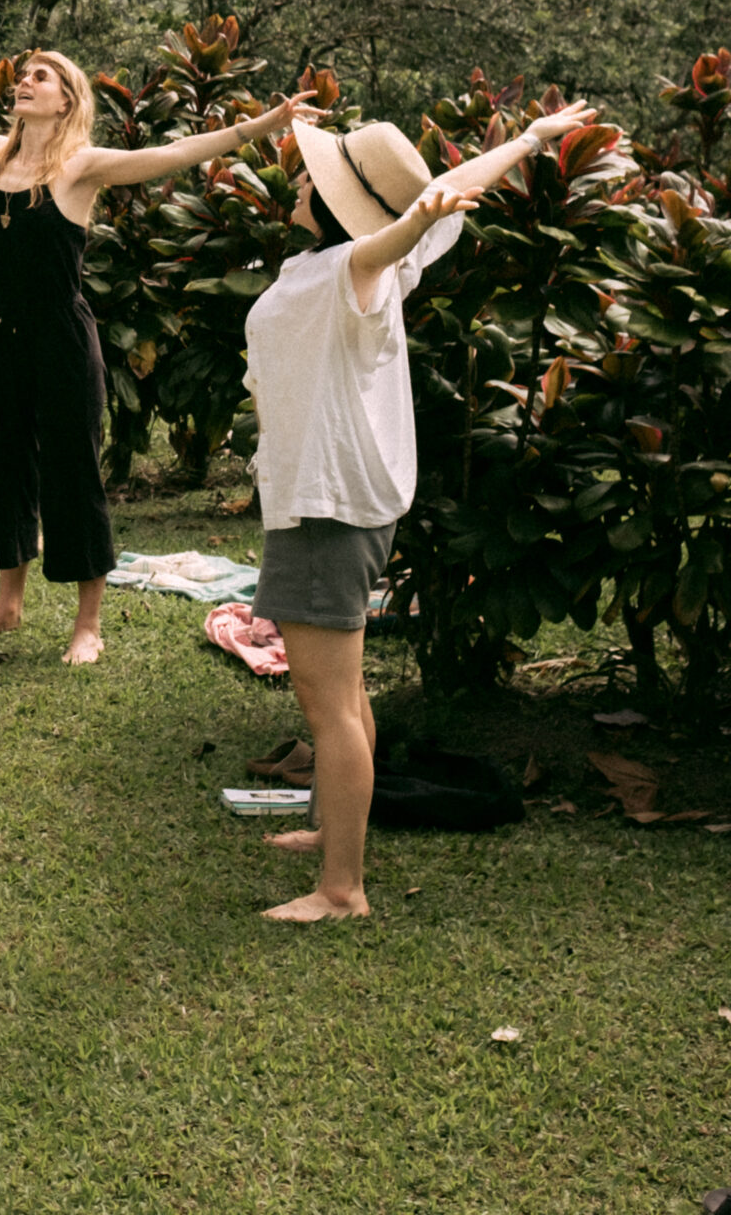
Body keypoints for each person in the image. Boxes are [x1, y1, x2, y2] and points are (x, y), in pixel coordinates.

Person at [248, 100, 594, 923]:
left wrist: (411, 220)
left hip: (329, 509)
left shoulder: (355, 270)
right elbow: (438, 197)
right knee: (341, 691)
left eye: (313, 175)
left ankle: (342, 888)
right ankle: (339, 827)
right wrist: (525, 142)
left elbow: (398, 231)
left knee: (326, 701)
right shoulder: (346, 266)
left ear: (337, 204)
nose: (299, 177)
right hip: (327, 499)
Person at [0, 41, 320, 662]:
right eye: (25, 75)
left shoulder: (81, 167)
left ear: (67, 101)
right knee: (5, 465)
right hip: (3, 337)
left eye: (42, 77)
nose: (26, 82)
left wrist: (262, 125)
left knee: (72, 471)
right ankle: (9, 605)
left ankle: (89, 625)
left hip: (61, 337)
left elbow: (171, 154)